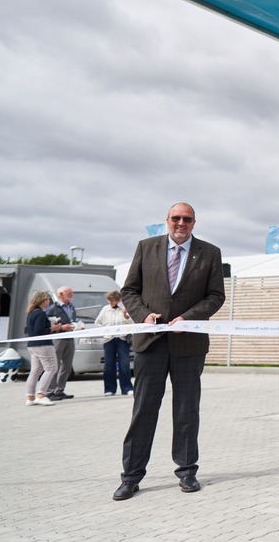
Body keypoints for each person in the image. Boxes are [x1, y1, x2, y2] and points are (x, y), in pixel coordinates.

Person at [113, 202, 225, 501]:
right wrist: (143, 315)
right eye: (176, 218)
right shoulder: (146, 247)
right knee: (144, 410)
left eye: (187, 219)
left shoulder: (209, 253)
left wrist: (189, 318)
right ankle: (131, 477)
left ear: (194, 223)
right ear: (167, 220)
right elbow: (129, 291)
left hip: (188, 344)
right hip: (150, 343)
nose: (181, 223)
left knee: (187, 410)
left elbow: (216, 296)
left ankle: (187, 472)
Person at [95, 290, 134, 396]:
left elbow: (132, 323)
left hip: (122, 339)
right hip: (108, 339)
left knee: (124, 364)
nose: (110, 302)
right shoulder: (105, 309)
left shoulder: (124, 309)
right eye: (109, 300)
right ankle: (109, 389)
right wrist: (104, 330)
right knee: (109, 364)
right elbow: (97, 322)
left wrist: (125, 316)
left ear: (118, 300)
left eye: (113, 300)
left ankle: (127, 388)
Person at [24, 291, 59, 406]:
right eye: (48, 299)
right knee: (51, 368)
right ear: (43, 300)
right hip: (43, 345)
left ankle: (30, 397)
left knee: (35, 371)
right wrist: (54, 328)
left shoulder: (31, 313)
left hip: (32, 345)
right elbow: (39, 331)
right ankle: (41, 394)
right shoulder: (41, 314)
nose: (49, 302)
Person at [44, 286, 79, 400]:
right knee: (55, 365)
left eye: (72, 292)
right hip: (58, 338)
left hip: (70, 338)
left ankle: (59, 390)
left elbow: (72, 320)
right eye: (69, 292)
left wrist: (77, 326)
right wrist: (61, 327)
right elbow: (46, 325)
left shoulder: (72, 306)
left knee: (67, 366)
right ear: (60, 294)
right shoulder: (52, 308)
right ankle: (50, 391)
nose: (72, 294)